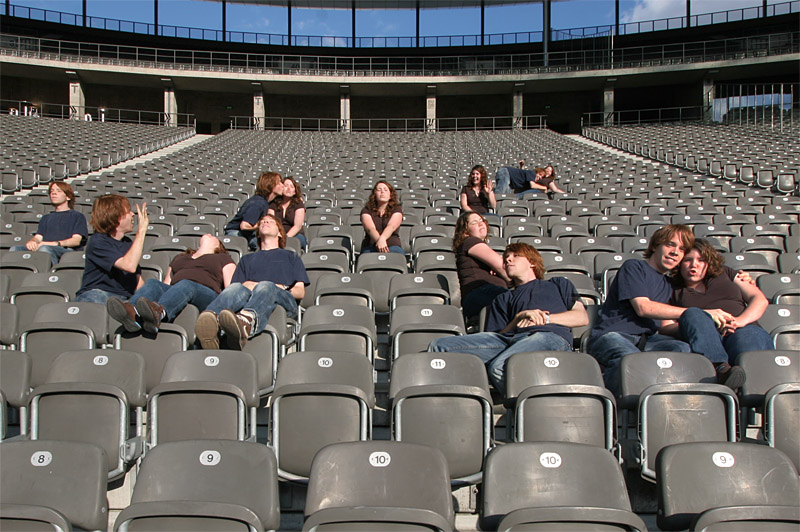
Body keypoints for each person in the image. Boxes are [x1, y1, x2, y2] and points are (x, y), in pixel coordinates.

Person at [586, 225, 739, 394]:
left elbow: (667, 324)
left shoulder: (669, 285)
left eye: (681, 249)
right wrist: (705, 313)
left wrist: (740, 277)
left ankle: (699, 387)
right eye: (669, 245)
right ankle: (617, 408)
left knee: (682, 350)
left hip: (648, 341)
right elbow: (643, 308)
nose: (675, 252)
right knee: (630, 360)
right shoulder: (634, 268)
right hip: (613, 335)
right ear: (655, 246)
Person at [429, 242, 589, 395]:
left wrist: (544, 319)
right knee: (440, 345)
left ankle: (535, 409)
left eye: (515, 256)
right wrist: (518, 318)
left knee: (501, 366)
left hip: (549, 337)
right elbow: (498, 336)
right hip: (512, 340)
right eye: (506, 258)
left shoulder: (557, 283)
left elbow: (581, 317)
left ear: (532, 262)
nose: (508, 260)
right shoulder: (502, 298)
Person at [657, 239, 774, 388]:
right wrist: (699, 323)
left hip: (742, 327)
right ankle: (721, 370)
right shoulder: (670, 287)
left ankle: (749, 390)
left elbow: (758, 299)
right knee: (693, 313)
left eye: (701, 260)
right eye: (688, 260)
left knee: (748, 337)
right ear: (679, 263)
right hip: (703, 334)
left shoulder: (726, 273)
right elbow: (665, 326)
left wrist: (740, 321)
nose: (694, 265)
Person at [195, 214, 309, 350]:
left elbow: (300, 292)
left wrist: (276, 287)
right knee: (236, 286)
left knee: (266, 285)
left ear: (279, 233)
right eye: (262, 222)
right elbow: (237, 289)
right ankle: (210, 323)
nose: (265, 222)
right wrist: (253, 286)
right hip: (253, 298)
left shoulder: (291, 256)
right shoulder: (247, 259)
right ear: (258, 234)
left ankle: (246, 323)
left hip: (284, 303)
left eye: (270, 222)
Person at [105, 234, 236, 334]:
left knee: (186, 284)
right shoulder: (180, 258)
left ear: (218, 246)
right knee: (153, 283)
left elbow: (230, 289)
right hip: (180, 290)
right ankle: (132, 313)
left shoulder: (223, 258)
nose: (209, 234)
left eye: (213, 236)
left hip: (207, 295)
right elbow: (167, 284)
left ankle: (159, 313)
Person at [76, 195, 148, 304]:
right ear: (115, 216)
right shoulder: (98, 241)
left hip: (124, 299)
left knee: (154, 285)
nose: (133, 214)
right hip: (99, 295)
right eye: (128, 211)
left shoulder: (127, 243)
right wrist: (141, 231)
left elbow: (137, 280)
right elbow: (129, 266)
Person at [10, 182, 87, 267]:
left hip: (66, 251)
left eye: (59, 191)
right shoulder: (46, 218)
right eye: (52, 191)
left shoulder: (77, 216)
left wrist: (54, 244)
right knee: (15, 249)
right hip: (45, 247)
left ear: (68, 197)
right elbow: (38, 237)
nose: (54, 193)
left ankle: (52, 272)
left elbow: (76, 241)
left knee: (44, 248)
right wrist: (32, 242)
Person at [453, 211, 511, 321]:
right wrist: (518, 284)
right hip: (481, 293)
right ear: (465, 232)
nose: (480, 224)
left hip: (488, 294)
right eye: (474, 222)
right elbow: (502, 267)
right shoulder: (470, 241)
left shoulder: (476, 244)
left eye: (482, 220)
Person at [224, 171, 285, 250]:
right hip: (237, 234)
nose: (282, 186)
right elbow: (244, 226)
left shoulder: (265, 202)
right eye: (279, 183)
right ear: (271, 185)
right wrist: (262, 225)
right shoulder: (258, 203)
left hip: (247, 235)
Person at [360, 180, 404, 254]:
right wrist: (379, 241)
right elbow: (370, 229)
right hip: (371, 246)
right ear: (374, 194)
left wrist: (382, 239)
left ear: (390, 195)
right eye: (379, 190)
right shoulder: (366, 210)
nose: (382, 192)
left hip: (392, 245)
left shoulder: (396, 210)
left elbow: (391, 226)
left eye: (385, 190)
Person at [269, 176, 306, 250]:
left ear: (295, 191)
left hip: (295, 234)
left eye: (292, 186)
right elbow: (271, 222)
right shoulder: (274, 204)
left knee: (295, 242)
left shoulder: (298, 204)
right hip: (277, 234)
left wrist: (284, 238)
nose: (288, 188)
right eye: (286, 186)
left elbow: (297, 226)